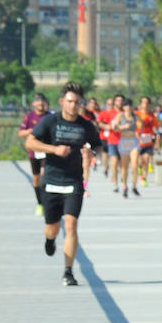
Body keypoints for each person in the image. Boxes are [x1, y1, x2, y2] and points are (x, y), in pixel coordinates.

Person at [25, 81, 103, 288]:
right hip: (51, 181)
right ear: (62, 102)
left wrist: (92, 152)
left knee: (71, 225)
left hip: (74, 181)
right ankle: (50, 240)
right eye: (69, 101)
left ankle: (68, 271)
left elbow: (97, 145)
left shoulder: (86, 125)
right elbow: (30, 142)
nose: (73, 106)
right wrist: (53, 149)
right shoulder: (50, 122)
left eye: (77, 102)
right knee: (52, 227)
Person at [18, 93, 50, 217]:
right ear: (34, 104)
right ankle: (40, 203)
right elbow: (20, 133)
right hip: (34, 152)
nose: (40, 104)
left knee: (44, 176)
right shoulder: (29, 117)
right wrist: (31, 131)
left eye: (42, 101)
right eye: (38, 102)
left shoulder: (49, 116)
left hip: (46, 151)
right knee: (36, 179)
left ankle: (48, 202)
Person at [112, 99, 140, 198]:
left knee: (135, 164)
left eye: (129, 105)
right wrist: (123, 127)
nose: (128, 107)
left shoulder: (136, 116)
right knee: (124, 167)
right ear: (123, 107)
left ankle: (134, 186)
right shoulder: (120, 116)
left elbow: (142, 124)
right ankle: (125, 186)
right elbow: (114, 128)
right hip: (124, 141)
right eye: (126, 105)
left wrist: (139, 131)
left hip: (134, 141)